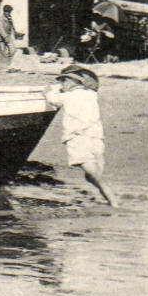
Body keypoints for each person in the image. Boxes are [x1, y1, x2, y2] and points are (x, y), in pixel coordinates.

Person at [44, 63, 119, 206]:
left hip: (78, 139)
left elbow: (53, 100)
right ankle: (110, 200)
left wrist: (49, 91)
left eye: (64, 81)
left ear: (73, 81)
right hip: (96, 139)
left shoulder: (67, 97)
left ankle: (114, 202)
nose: (62, 84)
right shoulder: (91, 94)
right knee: (93, 175)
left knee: (94, 175)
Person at [0, 4, 20, 70]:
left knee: (13, 50)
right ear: (4, 11)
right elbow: (0, 29)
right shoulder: (0, 18)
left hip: (8, 36)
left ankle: (8, 63)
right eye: (7, 12)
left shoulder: (9, 17)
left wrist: (14, 32)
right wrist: (5, 37)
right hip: (2, 37)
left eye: (9, 12)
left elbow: (12, 27)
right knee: (3, 52)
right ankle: (3, 66)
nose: (8, 13)